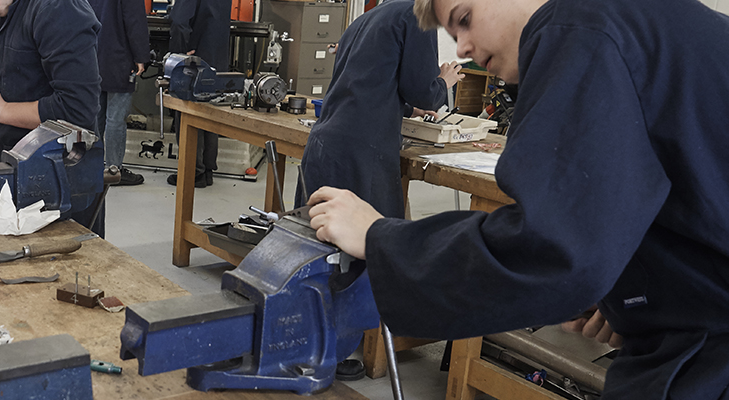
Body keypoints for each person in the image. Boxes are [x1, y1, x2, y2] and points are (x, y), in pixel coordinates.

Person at [306, 0, 729, 396]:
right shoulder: (640, 21)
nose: (464, 47)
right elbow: (681, 195)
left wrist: (381, 240)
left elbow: (549, 248)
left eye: (465, 18)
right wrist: (640, 294)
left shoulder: (579, 24)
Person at [0, 0, 104, 233]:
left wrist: (1, 111)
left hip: (57, 179)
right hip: (14, 167)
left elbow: (77, 110)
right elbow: (26, 72)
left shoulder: (58, 9)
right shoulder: (3, 10)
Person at [298, 0, 464, 218]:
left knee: (313, 241)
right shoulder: (418, 16)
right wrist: (443, 82)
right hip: (361, 155)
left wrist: (409, 110)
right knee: (368, 241)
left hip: (324, 145)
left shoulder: (365, 19)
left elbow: (364, 85)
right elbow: (423, 93)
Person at [165, 0, 229, 188]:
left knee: (187, 112)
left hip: (194, 60)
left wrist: (178, 53)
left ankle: (193, 171)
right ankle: (207, 170)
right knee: (209, 112)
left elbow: (179, 21)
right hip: (217, 56)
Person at [89, 0, 150, 186]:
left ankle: (92, 168)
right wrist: (141, 56)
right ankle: (114, 170)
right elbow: (134, 21)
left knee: (95, 116)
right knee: (115, 119)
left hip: (91, 55)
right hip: (119, 57)